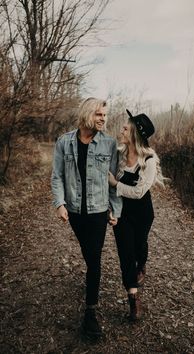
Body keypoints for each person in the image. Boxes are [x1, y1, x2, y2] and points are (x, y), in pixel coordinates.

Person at [51, 97, 122, 338]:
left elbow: (113, 181)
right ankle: (91, 284)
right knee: (88, 252)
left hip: (98, 210)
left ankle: (90, 312)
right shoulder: (64, 142)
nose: (104, 119)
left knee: (94, 257)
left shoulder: (109, 144)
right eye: (99, 114)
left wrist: (115, 208)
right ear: (87, 114)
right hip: (74, 211)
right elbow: (57, 176)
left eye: (105, 115)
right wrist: (59, 203)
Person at [108, 109, 165, 321]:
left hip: (142, 213)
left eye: (126, 127)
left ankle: (142, 264)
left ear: (135, 134)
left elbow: (140, 191)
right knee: (126, 254)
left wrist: (115, 184)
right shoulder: (120, 154)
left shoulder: (149, 159)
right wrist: (111, 207)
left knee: (140, 246)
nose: (122, 129)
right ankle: (133, 299)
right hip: (122, 212)